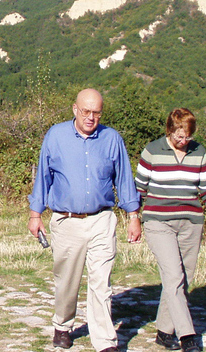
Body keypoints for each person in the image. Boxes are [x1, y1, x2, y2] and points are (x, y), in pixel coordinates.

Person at [27, 88, 141, 352]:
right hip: (66, 221)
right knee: (67, 281)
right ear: (75, 109)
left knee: (102, 283)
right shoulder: (55, 136)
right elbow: (43, 176)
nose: (91, 117)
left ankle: (105, 341)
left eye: (97, 113)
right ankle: (63, 325)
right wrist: (35, 214)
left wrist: (133, 216)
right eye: (86, 111)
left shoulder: (112, 139)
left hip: (102, 219)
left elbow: (124, 180)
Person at [134, 108, 206, 352]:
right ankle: (188, 335)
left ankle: (164, 332)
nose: (184, 142)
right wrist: (134, 220)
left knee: (183, 280)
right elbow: (138, 191)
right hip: (158, 222)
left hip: (191, 223)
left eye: (188, 137)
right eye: (179, 137)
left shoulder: (198, 152)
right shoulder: (152, 151)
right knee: (173, 276)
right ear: (169, 131)